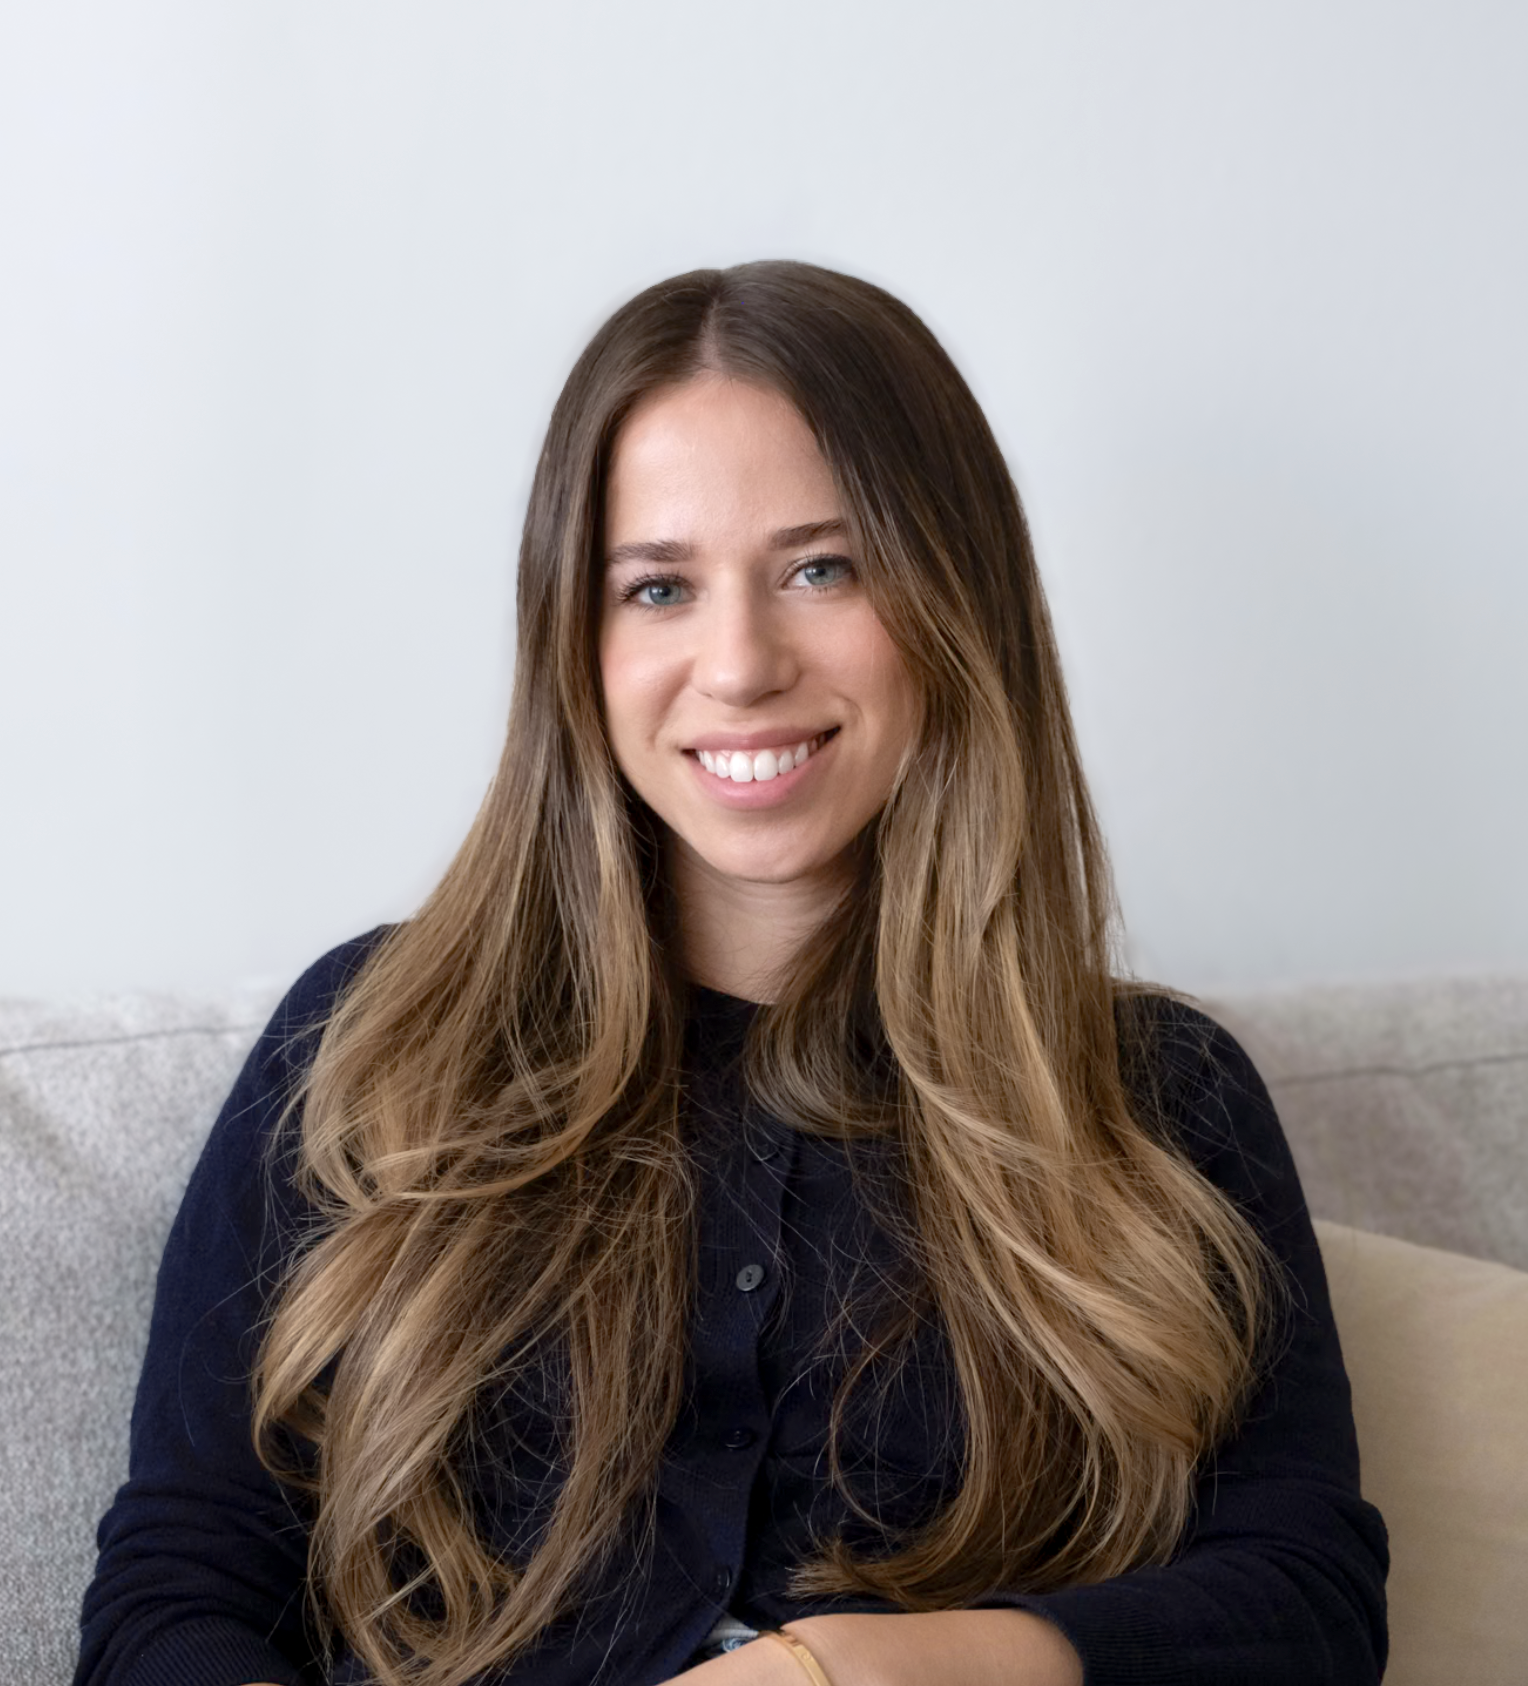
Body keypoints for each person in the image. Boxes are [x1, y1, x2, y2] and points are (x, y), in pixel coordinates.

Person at [74, 261, 1388, 1686]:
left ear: (954, 598)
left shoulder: (1158, 1095)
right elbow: (179, 1589)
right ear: (577, 641)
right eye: (658, 587)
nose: (741, 664)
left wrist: (860, 1673)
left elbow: (1306, 1602)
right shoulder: (368, 1047)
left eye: (823, 569)